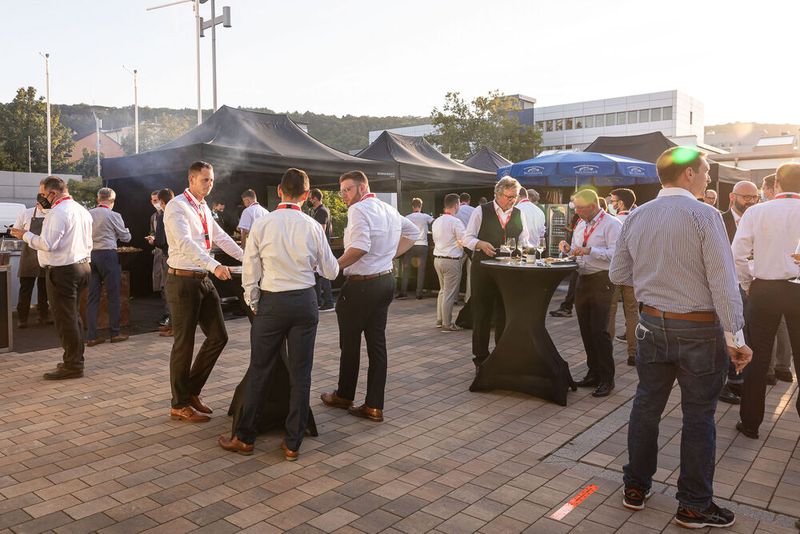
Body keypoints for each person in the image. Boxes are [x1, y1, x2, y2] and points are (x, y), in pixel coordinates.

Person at [610, 147, 751, 528]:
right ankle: (693, 505)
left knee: (647, 406)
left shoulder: (636, 216)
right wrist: (736, 336)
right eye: (704, 171)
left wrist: (656, 275)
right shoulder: (705, 214)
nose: (707, 177)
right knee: (699, 417)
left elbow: (618, 273)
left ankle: (635, 486)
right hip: (699, 330)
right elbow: (723, 283)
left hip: (652, 324)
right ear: (688, 174)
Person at [219, 168, 339, 460]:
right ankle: (293, 442)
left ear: (281, 192)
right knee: (301, 374)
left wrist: (253, 300)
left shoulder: (263, 223)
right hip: (304, 302)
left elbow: (250, 269)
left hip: (272, 303)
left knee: (260, 369)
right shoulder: (312, 226)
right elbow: (331, 271)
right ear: (307, 195)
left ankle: (245, 438)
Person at [320, 170, 418, 423]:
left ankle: (344, 395)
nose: (344, 196)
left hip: (362, 285)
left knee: (350, 343)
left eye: (348, 190)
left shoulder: (359, 210)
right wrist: (387, 256)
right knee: (377, 344)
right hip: (385, 281)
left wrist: (332, 267)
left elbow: (360, 248)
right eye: (341, 191)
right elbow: (413, 232)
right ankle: (374, 405)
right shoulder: (386, 208)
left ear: (362, 188)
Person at [163, 161, 244, 423]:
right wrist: (214, 265)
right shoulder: (177, 206)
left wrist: (247, 258)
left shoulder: (202, 206)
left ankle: (191, 391)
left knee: (219, 337)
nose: (209, 185)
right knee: (184, 344)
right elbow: (185, 243)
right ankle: (179, 404)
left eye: (211, 180)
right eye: (205, 180)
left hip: (202, 279)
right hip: (183, 281)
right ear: (191, 179)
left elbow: (219, 236)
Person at [733, 162, 800, 440]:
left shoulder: (757, 211)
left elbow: (737, 254)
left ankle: (750, 423)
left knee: (757, 358)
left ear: (776, 185)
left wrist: (749, 284)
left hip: (764, 289)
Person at [11, 176, 93, 380]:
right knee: (73, 317)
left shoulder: (59, 212)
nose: (41, 198)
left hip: (63, 271)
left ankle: (73, 365)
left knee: (66, 320)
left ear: (53, 193)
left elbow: (47, 244)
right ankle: (75, 359)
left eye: (42, 193)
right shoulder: (81, 209)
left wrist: (24, 235)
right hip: (81, 266)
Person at [559, 189, 622, 397]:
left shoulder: (612, 224)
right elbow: (578, 248)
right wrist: (568, 249)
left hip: (602, 280)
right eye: (575, 207)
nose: (576, 211)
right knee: (586, 329)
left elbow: (617, 255)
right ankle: (593, 372)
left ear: (593, 206)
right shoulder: (581, 223)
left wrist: (590, 252)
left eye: (579, 207)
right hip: (582, 278)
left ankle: (607, 378)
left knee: (599, 331)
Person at [463, 177, 530, 367]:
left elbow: (524, 241)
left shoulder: (519, 213)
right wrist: (480, 244)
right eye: (509, 197)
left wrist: (529, 250)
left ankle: (501, 356)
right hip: (483, 270)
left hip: (508, 270)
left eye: (515, 197)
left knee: (504, 314)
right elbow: (467, 238)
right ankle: (481, 359)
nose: (512, 201)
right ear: (498, 195)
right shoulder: (481, 211)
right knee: (482, 314)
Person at [717, 180, 760, 404]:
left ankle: (736, 380)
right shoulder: (719, 220)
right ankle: (723, 383)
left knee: (743, 333)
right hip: (726, 284)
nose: (751, 201)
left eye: (754, 197)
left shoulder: (758, 219)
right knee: (727, 332)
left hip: (750, 284)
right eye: (746, 197)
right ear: (732, 197)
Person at [86, 187, 131, 346]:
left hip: (91, 255)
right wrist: (125, 231)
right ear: (111, 201)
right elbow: (126, 238)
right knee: (113, 295)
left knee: (92, 297)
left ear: (98, 199)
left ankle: (91, 336)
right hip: (108, 255)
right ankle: (115, 333)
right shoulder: (114, 215)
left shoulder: (87, 214)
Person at [760, 174, 793, 384]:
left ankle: (769, 371)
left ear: (773, 188)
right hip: (792, 277)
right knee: (783, 326)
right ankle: (784, 368)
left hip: (768, 278)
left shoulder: (764, 211)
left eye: (763, 188)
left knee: (768, 327)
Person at [607, 188, 638, 366]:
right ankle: (633, 353)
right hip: (633, 271)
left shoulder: (613, 221)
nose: (611, 204)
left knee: (610, 311)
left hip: (615, 270)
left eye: (612, 201)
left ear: (620, 203)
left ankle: (608, 349)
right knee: (632, 312)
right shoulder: (638, 219)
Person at [13, 184, 50, 328]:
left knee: (44, 288)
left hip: (44, 253)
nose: (45, 208)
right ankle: (22, 318)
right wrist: (21, 234)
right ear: (37, 203)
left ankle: (43, 316)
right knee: (25, 288)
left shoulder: (51, 214)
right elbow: (15, 231)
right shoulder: (26, 213)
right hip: (28, 254)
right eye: (43, 205)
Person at [432, 193, 465, 331]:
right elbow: (464, 240)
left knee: (443, 290)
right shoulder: (456, 222)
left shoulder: (436, 221)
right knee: (450, 293)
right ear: (456, 205)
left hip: (437, 258)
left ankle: (440, 319)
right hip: (451, 260)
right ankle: (447, 323)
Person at [399, 198, 434, 300]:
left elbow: (402, 230)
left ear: (412, 206)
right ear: (421, 206)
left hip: (410, 244)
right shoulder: (425, 216)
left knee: (406, 269)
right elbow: (434, 222)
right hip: (423, 245)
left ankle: (403, 292)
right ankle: (419, 293)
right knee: (421, 270)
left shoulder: (407, 217)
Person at [550, 209, 582, 318]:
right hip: (577, 258)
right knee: (573, 285)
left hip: (586, 263)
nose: (575, 209)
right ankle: (566, 307)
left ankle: (567, 308)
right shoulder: (581, 221)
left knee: (575, 286)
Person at [309, 188, 335, 311]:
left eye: (310, 198)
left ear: (315, 198)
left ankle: (329, 302)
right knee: (318, 276)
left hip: (321, 248)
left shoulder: (321, 211)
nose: (309, 200)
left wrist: (315, 247)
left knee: (323, 275)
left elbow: (321, 230)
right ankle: (319, 301)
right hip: (322, 247)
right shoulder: (323, 210)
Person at [153, 189, 175, 336]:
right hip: (179, 256)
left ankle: (173, 327)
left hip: (169, 257)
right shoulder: (180, 212)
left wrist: (154, 241)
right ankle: (172, 324)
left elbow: (160, 241)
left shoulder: (163, 216)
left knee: (170, 292)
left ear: (162, 201)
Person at [455, 193, 475, 302]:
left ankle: (453, 297)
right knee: (470, 273)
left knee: (456, 272)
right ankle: (468, 298)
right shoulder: (474, 210)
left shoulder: (456, 210)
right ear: (469, 200)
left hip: (459, 244)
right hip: (471, 244)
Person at [146, 191, 165, 300]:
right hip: (158, 250)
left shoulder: (168, 213)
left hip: (168, 251)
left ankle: (169, 312)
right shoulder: (153, 217)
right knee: (159, 278)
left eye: (157, 200)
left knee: (166, 279)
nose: (156, 202)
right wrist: (152, 238)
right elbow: (152, 232)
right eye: (154, 200)